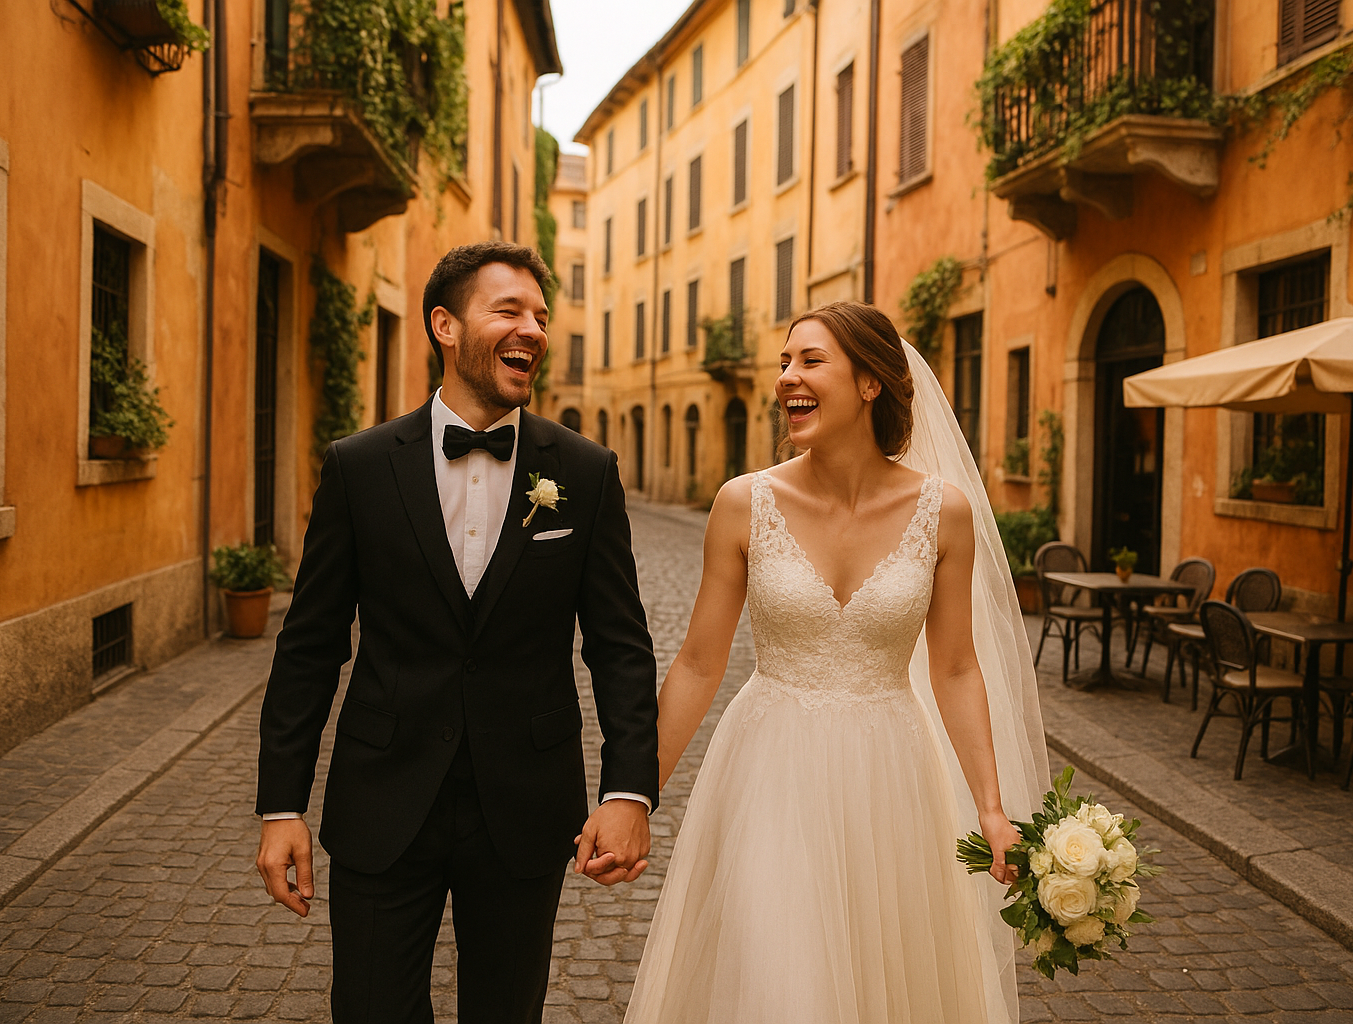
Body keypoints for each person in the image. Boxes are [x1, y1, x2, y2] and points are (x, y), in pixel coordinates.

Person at [254, 242, 659, 1024]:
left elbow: (619, 644)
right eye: (509, 311)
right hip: (383, 801)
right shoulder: (360, 466)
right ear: (445, 325)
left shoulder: (584, 469)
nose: (533, 329)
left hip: (525, 806)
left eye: (542, 316)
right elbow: (310, 644)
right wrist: (281, 805)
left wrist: (627, 790)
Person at [623, 301, 1050, 1024]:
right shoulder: (741, 504)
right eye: (784, 362)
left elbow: (955, 668)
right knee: (775, 978)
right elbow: (698, 664)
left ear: (870, 383)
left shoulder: (943, 512)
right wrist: (633, 798)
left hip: (893, 777)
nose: (787, 377)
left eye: (810, 361)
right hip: (767, 772)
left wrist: (990, 807)